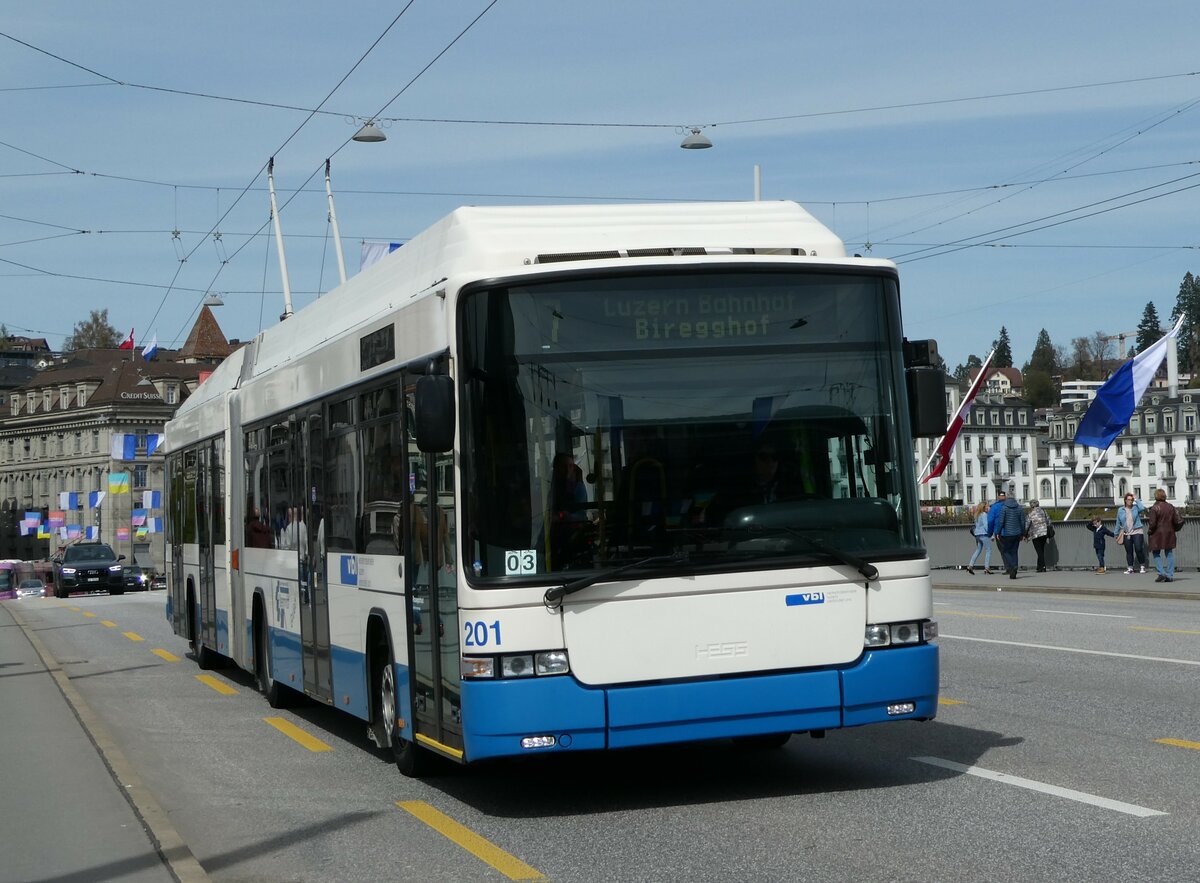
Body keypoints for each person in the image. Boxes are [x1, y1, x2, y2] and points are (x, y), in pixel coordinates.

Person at [1146, 488, 1183, 583]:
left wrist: (1149, 531)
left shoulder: (1154, 508)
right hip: (1169, 533)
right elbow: (1177, 520)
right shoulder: (1170, 506)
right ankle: (1170, 575)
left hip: (1157, 534)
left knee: (1156, 553)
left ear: (1156, 496)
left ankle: (1161, 572)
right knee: (1169, 553)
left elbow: (1152, 524)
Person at [1114, 492, 1148, 574]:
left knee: (1138, 548)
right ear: (1125, 500)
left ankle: (1142, 566)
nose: (1130, 501)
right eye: (1128, 500)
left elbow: (1142, 508)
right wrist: (1116, 533)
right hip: (1127, 533)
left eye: (1131, 500)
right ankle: (1130, 567)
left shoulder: (1136, 508)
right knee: (1129, 551)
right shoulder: (1121, 510)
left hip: (1137, 531)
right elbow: (1118, 522)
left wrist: (1136, 499)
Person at [995, 488, 1026, 580]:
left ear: (1007, 498)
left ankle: (1012, 566)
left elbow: (1001, 521)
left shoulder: (1004, 508)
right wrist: (1023, 533)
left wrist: (998, 532)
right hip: (1017, 533)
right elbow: (1023, 521)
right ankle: (1015, 566)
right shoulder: (1019, 508)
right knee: (1014, 551)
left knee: (1005, 551)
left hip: (1007, 533)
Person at [1024, 500, 1051, 573]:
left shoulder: (1031, 513)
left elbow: (1027, 524)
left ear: (1031, 506)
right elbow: (1048, 521)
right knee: (1041, 550)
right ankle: (1039, 566)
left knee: (1039, 551)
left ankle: (1043, 566)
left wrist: (1025, 533)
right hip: (1044, 533)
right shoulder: (1043, 511)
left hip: (1035, 534)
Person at [965, 502, 991, 575]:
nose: (987, 508)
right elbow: (986, 525)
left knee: (978, 550)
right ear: (983, 508)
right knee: (988, 550)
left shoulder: (976, 515)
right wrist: (990, 535)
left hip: (977, 535)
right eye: (986, 507)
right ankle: (986, 568)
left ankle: (970, 566)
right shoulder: (984, 515)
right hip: (984, 534)